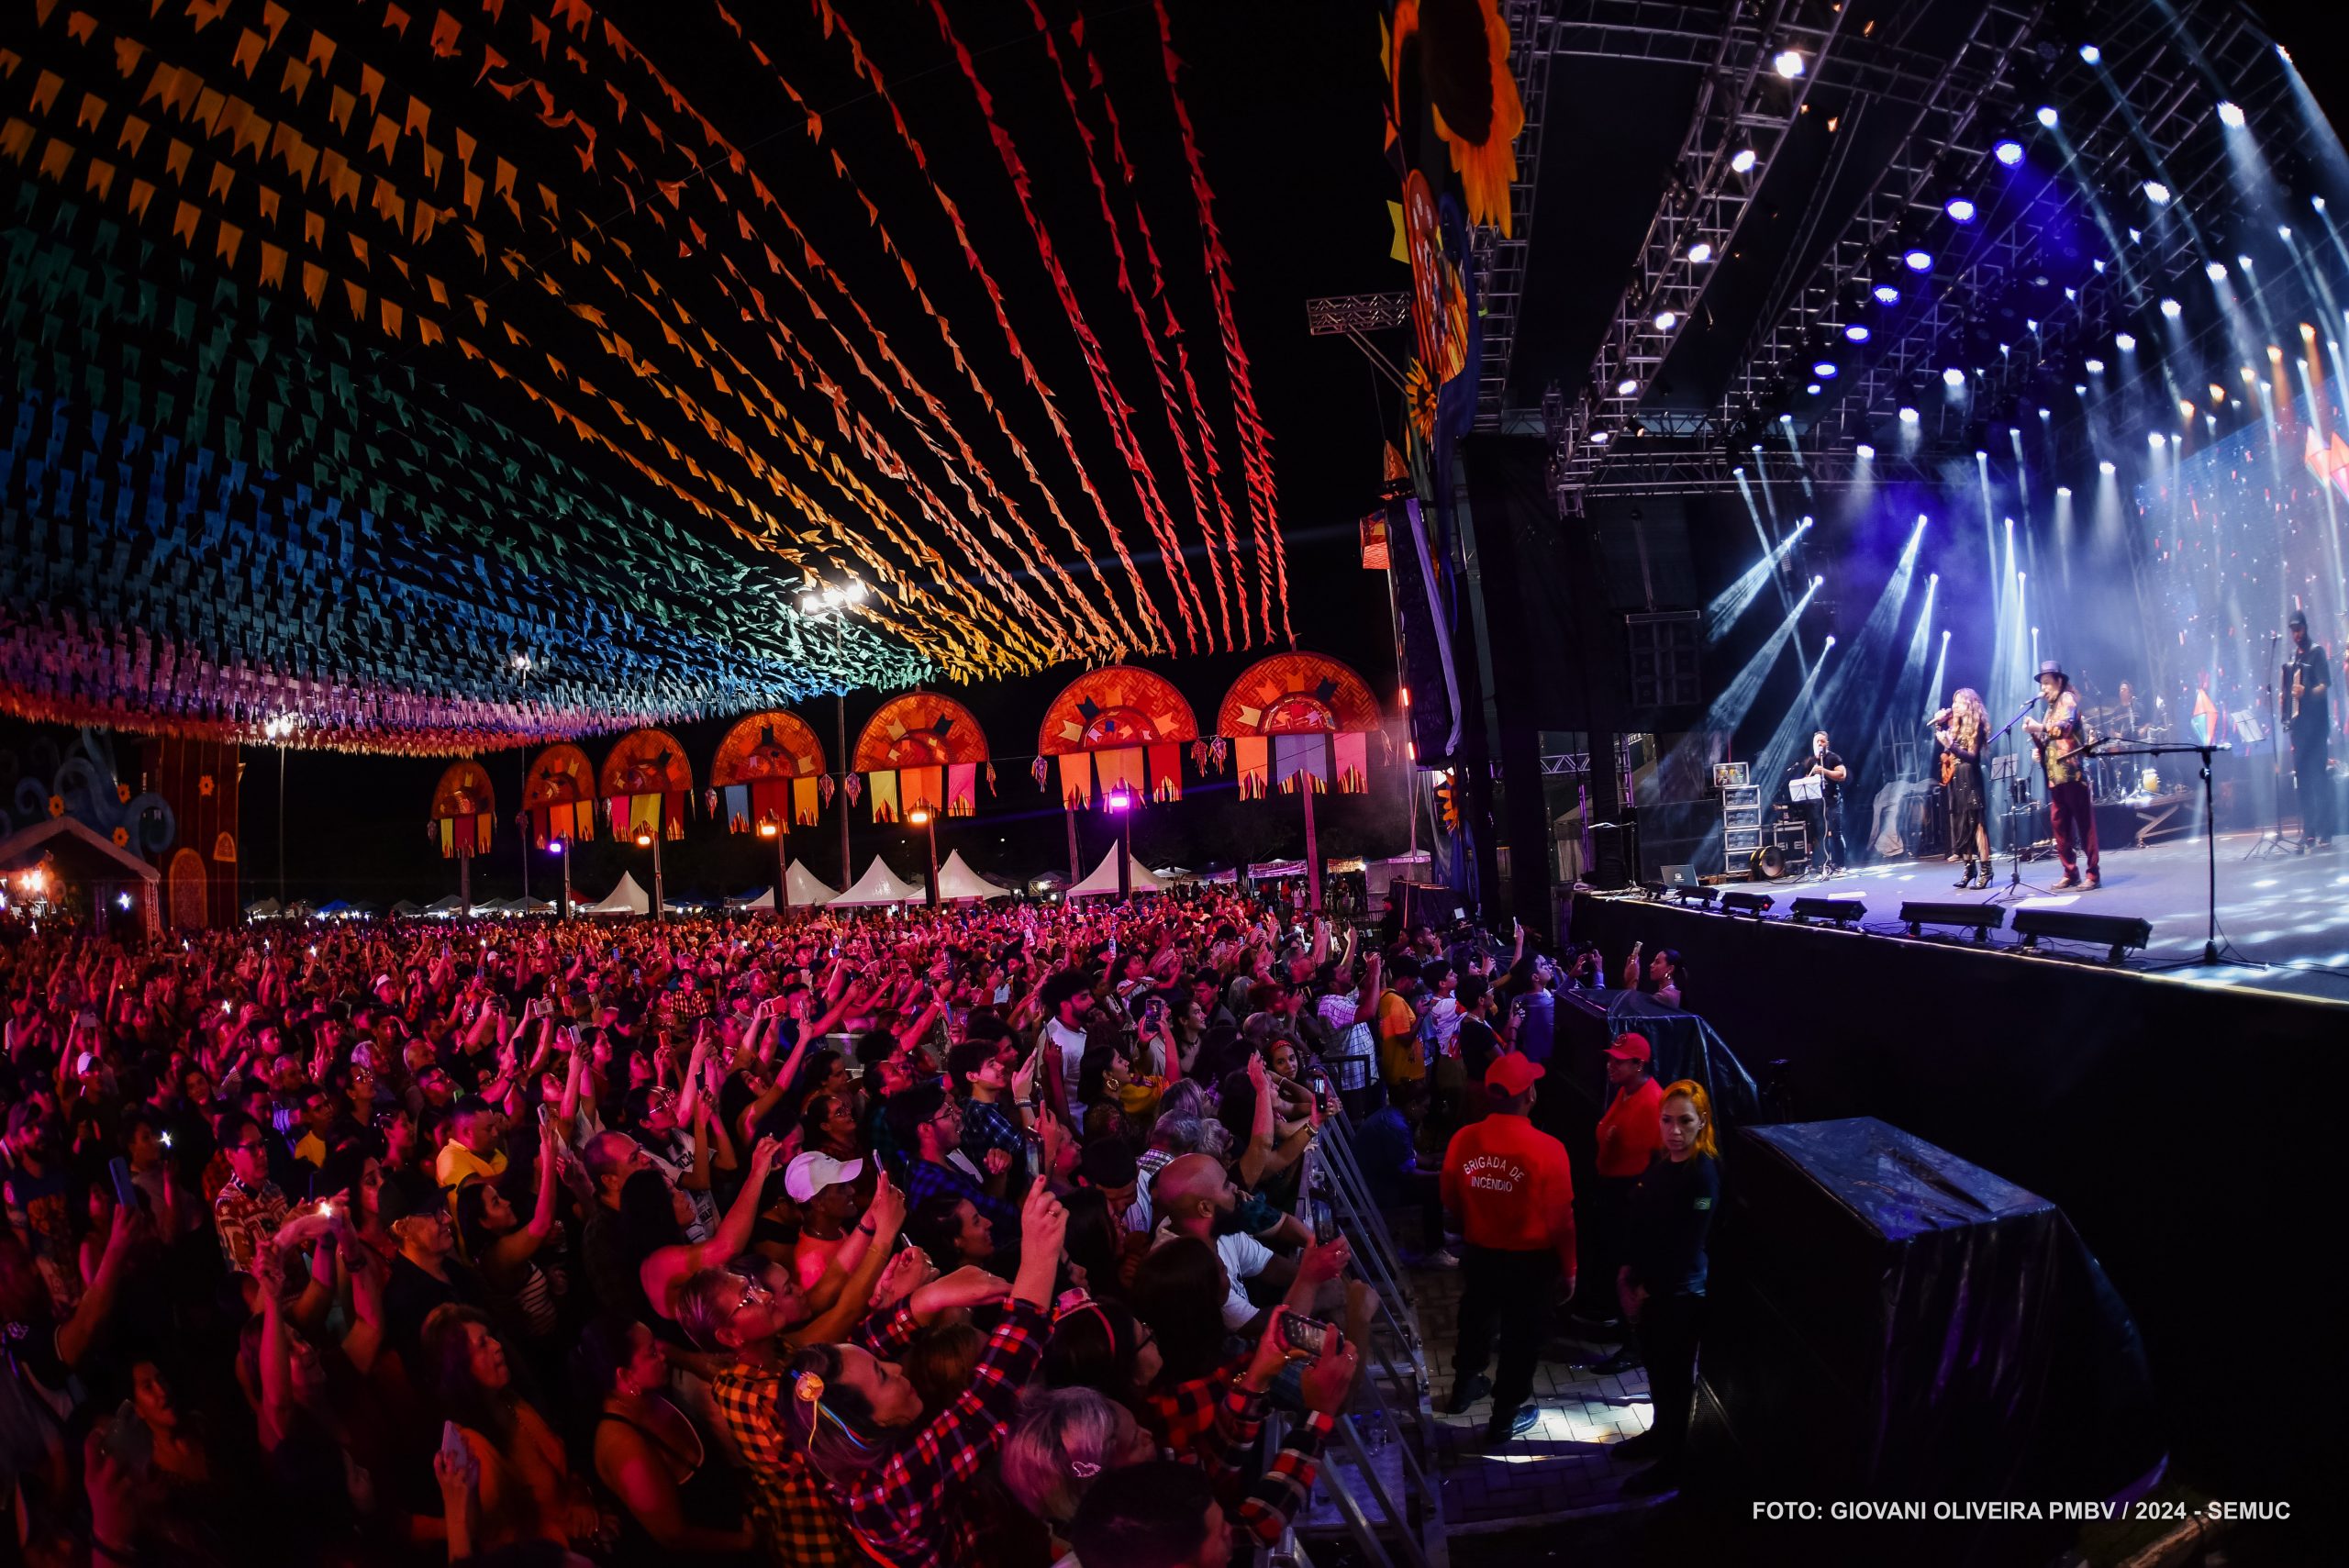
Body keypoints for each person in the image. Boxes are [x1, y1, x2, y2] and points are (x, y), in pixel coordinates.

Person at [780, 1182, 1066, 1567]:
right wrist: (1040, 1254)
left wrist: (930, 1297)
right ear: (867, 1426)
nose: (896, 1368)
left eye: (882, 1365)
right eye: (882, 1376)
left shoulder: (828, 1435)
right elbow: (989, 1397)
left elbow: (865, 1340)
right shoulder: (885, 1491)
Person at [1439, 1052, 1575, 1442]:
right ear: (1529, 1093)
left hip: (1480, 1253)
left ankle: (1464, 1387)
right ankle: (1503, 1419)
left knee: (1476, 1318)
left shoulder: (1464, 1138)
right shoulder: (1548, 1149)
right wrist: (1570, 1269)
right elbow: (1562, 1221)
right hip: (1530, 1264)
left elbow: (1449, 1196)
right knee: (1521, 1338)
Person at [1616, 1079, 1721, 1495]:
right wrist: (1627, 1271)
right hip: (1653, 1290)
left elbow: (1689, 1240)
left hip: (1678, 1296)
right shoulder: (1666, 1163)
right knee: (1659, 1375)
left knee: (1676, 1382)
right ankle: (1660, 1436)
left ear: (1702, 1123)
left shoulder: (1703, 1175)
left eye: (1684, 1121)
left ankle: (1673, 1463)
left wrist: (1646, 1290)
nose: (1674, 1130)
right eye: (1667, 1120)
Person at [575, 1317, 756, 1559]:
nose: (663, 1356)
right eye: (652, 1353)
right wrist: (744, 1542)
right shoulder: (624, 1448)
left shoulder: (647, 1397)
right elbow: (674, 1536)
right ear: (626, 1376)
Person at [1578, 1033, 1664, 1349]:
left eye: (1619, 1061)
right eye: (1610, 1059)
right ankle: (1616, 1324)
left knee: (1627, 1269)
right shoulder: (1627, 1091)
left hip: (1630, 1197)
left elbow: (1654, 1162)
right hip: (1614, 1191)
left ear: (1639, 1065)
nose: (1610, 1066)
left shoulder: (1652, 1101)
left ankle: (1632, 1345)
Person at [2023, 660, 2100, 889]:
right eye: (2042, 684)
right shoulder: (2048, 710)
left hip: (2072, 773)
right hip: (2055, 776)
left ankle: (2092, 875)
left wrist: (2039, 728)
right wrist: (2038, 745)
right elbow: (2049, 739)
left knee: (2084, 824)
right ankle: (2070, 872)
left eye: (2047, 683)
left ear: (2059, 681)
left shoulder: (2067, 699)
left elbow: (2064, 728)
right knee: (2060, 826)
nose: (2043, 688)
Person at [1932, 687, 1994, 887]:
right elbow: (1948, 750)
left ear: (1968, 704)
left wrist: (1950, 745)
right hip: (1956, 779)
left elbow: (1972, 757)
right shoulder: (1954, 727)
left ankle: (1986, 869)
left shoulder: (1976, 725)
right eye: (1954, 702)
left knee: (1977, 824)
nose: (1954, 706)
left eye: (1958, 702)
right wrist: (1939, 726)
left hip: (1970, 776)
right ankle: (1969, 868)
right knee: (1961, 824)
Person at [2286, 608, 2333, 848]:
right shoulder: (2294, 658)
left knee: (2319, 779)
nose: (2296, 635)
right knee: (2302, 782)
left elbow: (2325, 686)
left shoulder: (2317, 653)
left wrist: (2306, 693)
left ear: (2306, 627)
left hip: (2317, 728)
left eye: (2299, 630)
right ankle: (2309, 831)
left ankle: (2325, 831)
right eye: (2293, 631)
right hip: (2301, 730)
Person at [1799, 730, 1850, 875]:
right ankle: (1825, 864)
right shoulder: (1811, 762)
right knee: (1820, 834)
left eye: (1822, 741)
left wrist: (1824, 771)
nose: (1820, 744)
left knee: (1835, 833)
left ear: (1827, 743)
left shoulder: (1833, 757)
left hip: (1833, 800)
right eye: (1817, 741)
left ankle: (1840, 865)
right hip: (1818, 804)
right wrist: (1809, 776)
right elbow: (1806, 782)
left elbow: (1842, 775)